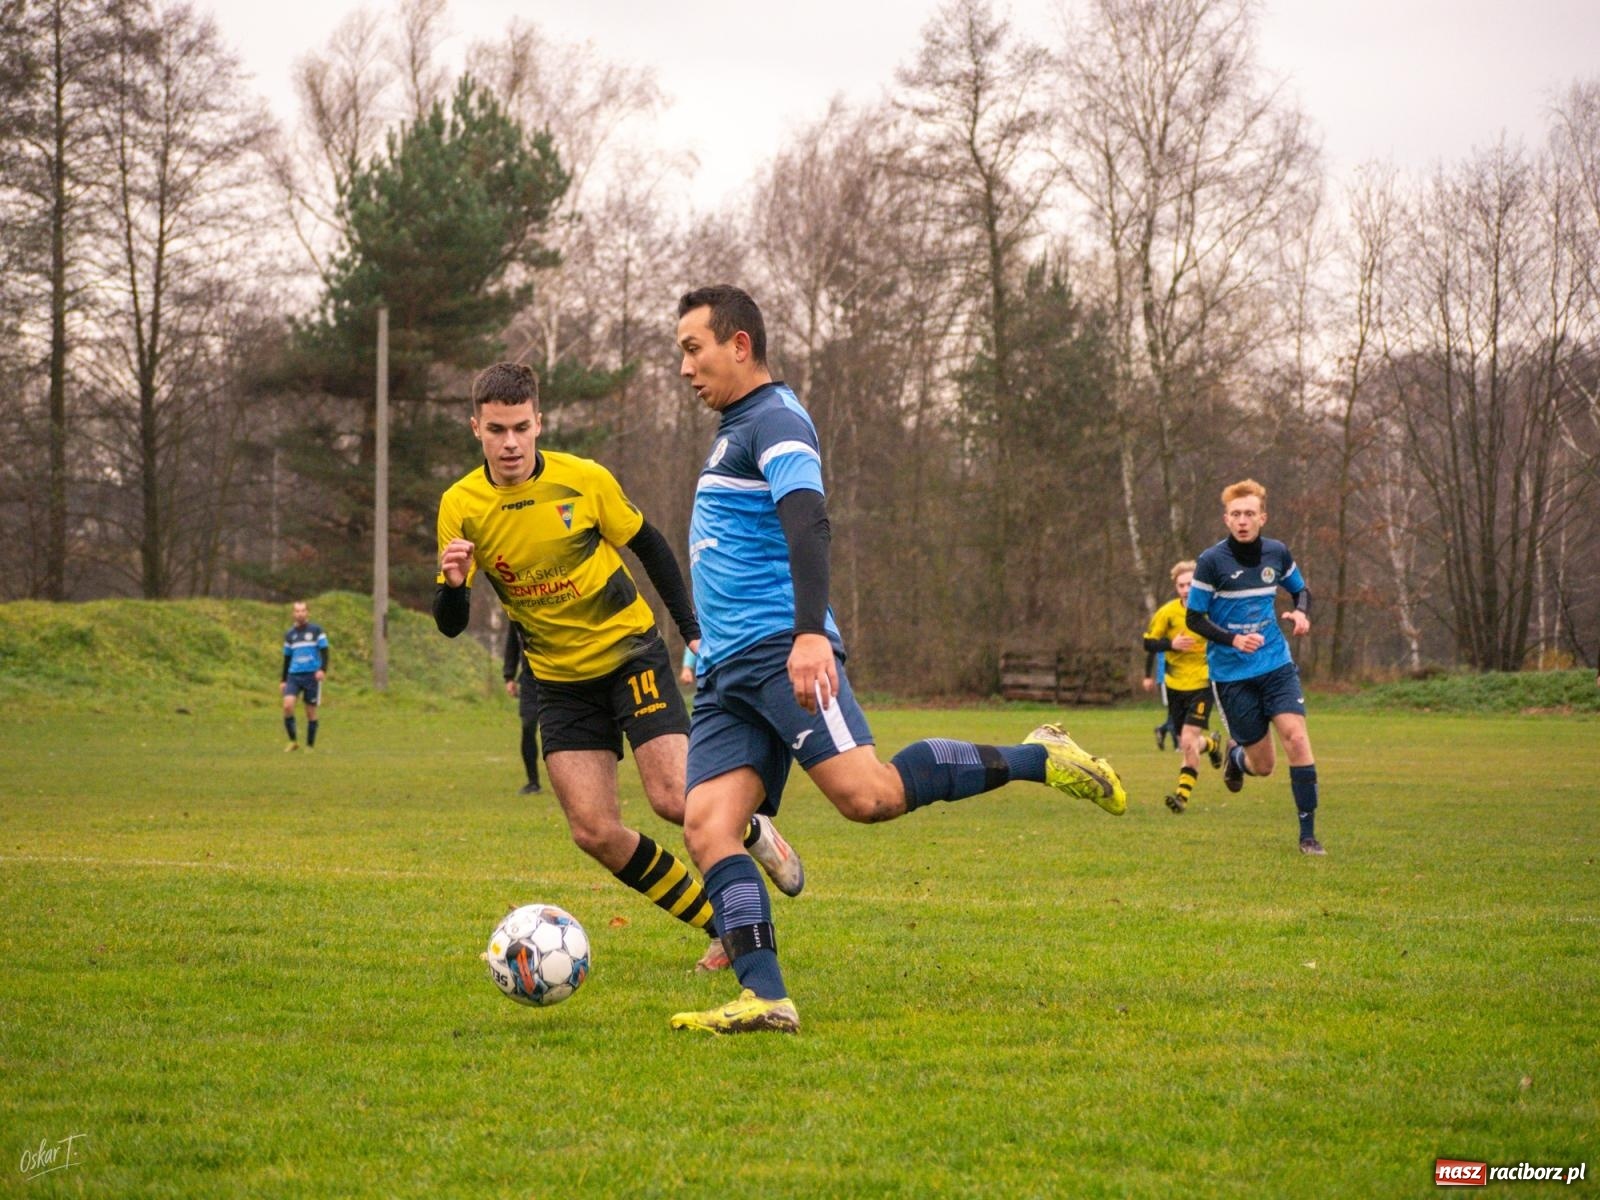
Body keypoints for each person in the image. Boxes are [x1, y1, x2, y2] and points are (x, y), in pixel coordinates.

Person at [666, 285, 1127, 1035]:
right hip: (726, 671)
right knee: (707, 826)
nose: (685, 367)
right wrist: (705, 645)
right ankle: (766, 998)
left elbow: (808, 519)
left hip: (782, 649)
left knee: (868, 797)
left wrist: (810, 633)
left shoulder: (776, 418)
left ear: (739, 344)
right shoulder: (733, 429)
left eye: (694, 348)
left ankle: (1041, 756)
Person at [433, 361, 804, 973]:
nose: (510, 443)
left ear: (538, 423)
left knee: (672, 799)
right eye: (496, 429)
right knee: (594, 831)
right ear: (476, 428)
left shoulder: (583, 481)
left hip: (630, 654)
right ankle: (721, 923)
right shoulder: (461, 505)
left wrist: (692, 631)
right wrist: (451, 585)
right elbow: (449, 621)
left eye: (521, 428)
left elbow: (651, 545)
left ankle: (754, 830)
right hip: (557, 681)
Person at [1184, 479, 1325, 855]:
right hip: (1231, 675)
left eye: (1249, 513)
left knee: (1296, 737)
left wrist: (1301, 612)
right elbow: (1194, 619)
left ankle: (1308, 836)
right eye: (1235, 514)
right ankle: (1234, 757)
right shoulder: (1211, 562)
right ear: (1226, 518)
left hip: (1275, 665)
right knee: (1263, 766)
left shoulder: (1277, 553)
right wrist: (1233, 639)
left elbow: (1301, 590)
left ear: (1262, 516)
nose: (1242, 520)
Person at [1141, 561, 1224, 813]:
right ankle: (1211, 745)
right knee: (1190, 742)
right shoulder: (1167, 613)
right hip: (1176, 685)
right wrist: (1171, 645)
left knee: (1187, 740)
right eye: (1181, 585)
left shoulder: (1213, 610)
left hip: (1203, 682)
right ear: (1176, 587)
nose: (1186, 589)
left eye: (1190, 584)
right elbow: (1148, 644)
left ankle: (1181, 797)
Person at [280, 600, 328, 752]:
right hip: (294, 675)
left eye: (302, 611)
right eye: (297, 611)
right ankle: (293, 741)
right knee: (287, 706)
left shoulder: (316, 630)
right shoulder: (290, 634)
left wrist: (322, 669)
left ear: (307, 613)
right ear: (293, 614)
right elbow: (287, 658)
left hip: (311, 676)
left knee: (310, 712)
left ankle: (309, 746)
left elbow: (325, 651)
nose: (300, 613)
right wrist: (283, 679)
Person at [503, 625, 542, 795]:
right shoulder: (519, 605)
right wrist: (509, 675)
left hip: (559, 676)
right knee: (528, 726)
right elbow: (512, 641)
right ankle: (533, 782)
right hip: (529, 679)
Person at [1143, 648, 1178, 751]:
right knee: (1174, 712)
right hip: (1165, 679)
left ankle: (1162, 729)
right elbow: (1151, 651)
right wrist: (1147, 676)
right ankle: (1177, 745)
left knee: (1177, 712)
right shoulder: (1161, 636)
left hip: (1181, 679)